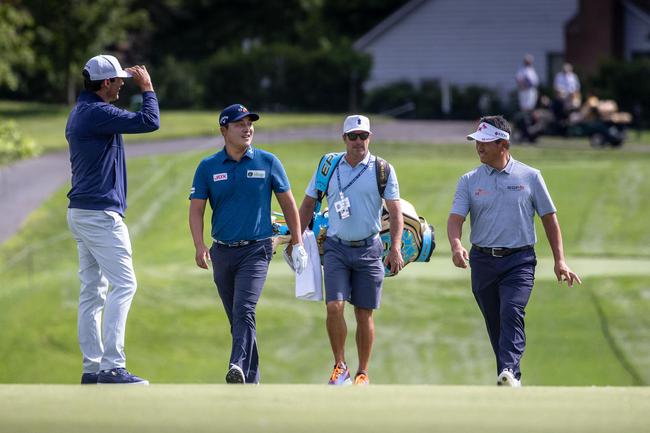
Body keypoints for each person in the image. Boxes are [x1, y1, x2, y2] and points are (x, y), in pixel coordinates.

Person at [447, 115, 581, 387]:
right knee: (496, 324)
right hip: (482, 261)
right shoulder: (468, 181)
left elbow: (549, 219)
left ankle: (509, 370)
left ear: (503, 143)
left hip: (519, 262)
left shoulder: (530, 176)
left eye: (485, 142)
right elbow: (455, 220)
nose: (479, 147)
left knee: (511, 311)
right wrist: (456, 244)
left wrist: (560, 260)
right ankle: (507, 379)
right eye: (477, 142)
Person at [189, 103, 307, 384]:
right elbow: (196, 210)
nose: (247, 129)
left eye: (250, 124)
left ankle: (235, 365)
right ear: (224, 130)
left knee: (245, 310)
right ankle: (249, 379)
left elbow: (289, 204)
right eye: (240, 124)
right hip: (222, 252)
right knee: (238, 320)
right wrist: (199, 245)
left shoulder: (268, 162)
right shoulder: (208, 167)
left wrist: (298, 242)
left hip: (257, 249)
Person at [66, 54, 160, 385]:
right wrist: (148, 89)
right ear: (106, 84)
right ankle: (111, 366)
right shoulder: (97, 112)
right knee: (124, 284)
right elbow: (150, 122)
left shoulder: (82, 111)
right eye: (119, 80)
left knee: (93, 292)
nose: (123, 84)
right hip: (99, 212)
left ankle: (93, 368)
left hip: (82, 211)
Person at [298, 115, 404, 385]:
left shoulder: (382, 169)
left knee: (363, 313)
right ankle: (340, 366)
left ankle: (363, 372)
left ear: (370, 137)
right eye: (353, 136)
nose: (359, 141)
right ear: (344, 138)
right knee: (334, 306)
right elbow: (309, 202)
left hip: (369, 249)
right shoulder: (329, 166)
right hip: (336, 247)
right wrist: (297, 238)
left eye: (363, 136)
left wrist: (395, 248)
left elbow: (394, 211)